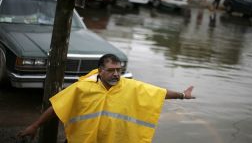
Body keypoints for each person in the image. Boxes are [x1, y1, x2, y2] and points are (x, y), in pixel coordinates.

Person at [18, 54, 195, 143]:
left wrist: (182, 95)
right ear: (100, 70)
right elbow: (57, 108)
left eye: (119, 70)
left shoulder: (130, 86)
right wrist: (34, 126)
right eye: (111, 70)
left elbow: (159, 93)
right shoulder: (82, 87)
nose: (116, 74)